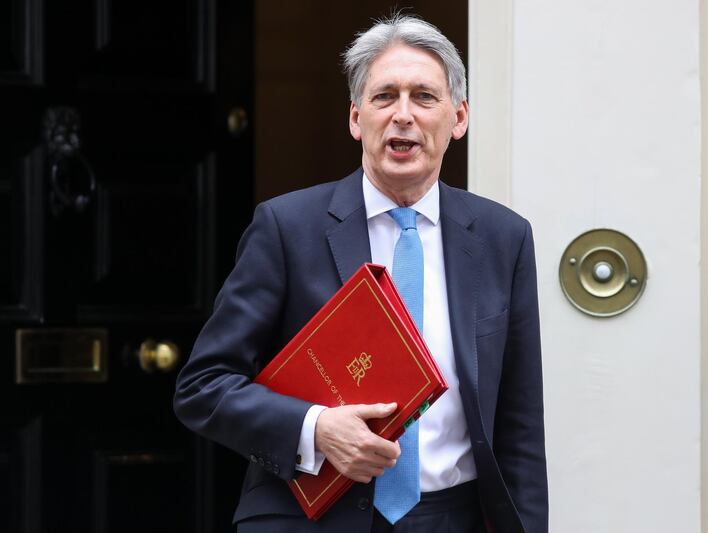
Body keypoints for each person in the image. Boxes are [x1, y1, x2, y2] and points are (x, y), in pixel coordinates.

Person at [174, 14, 547, 533]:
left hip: (453, 517)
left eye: (424, 96)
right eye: (384, 96)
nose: (403, 115)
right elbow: (204, 387)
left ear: (459, 117)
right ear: (355, 118)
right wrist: (316, 428)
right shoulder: (287, 228)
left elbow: (520, 425)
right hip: (313, 519)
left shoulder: (502, 238)